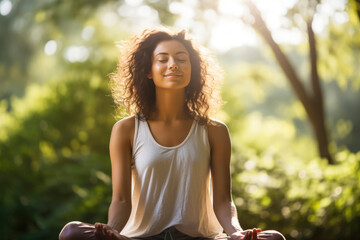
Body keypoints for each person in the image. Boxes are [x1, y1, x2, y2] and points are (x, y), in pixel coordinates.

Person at [59, 27, 286, 240]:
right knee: (71, 232)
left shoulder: (215, 130)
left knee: (275, 238)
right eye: (163, 59)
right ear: (148, 70)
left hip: (202, 237)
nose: (173, 64)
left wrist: (236, 232)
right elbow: (120, 200)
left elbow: (223, 201)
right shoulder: (126, 130)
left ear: (192, 69)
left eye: (181, 59)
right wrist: (110, 230)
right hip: (141, 237)